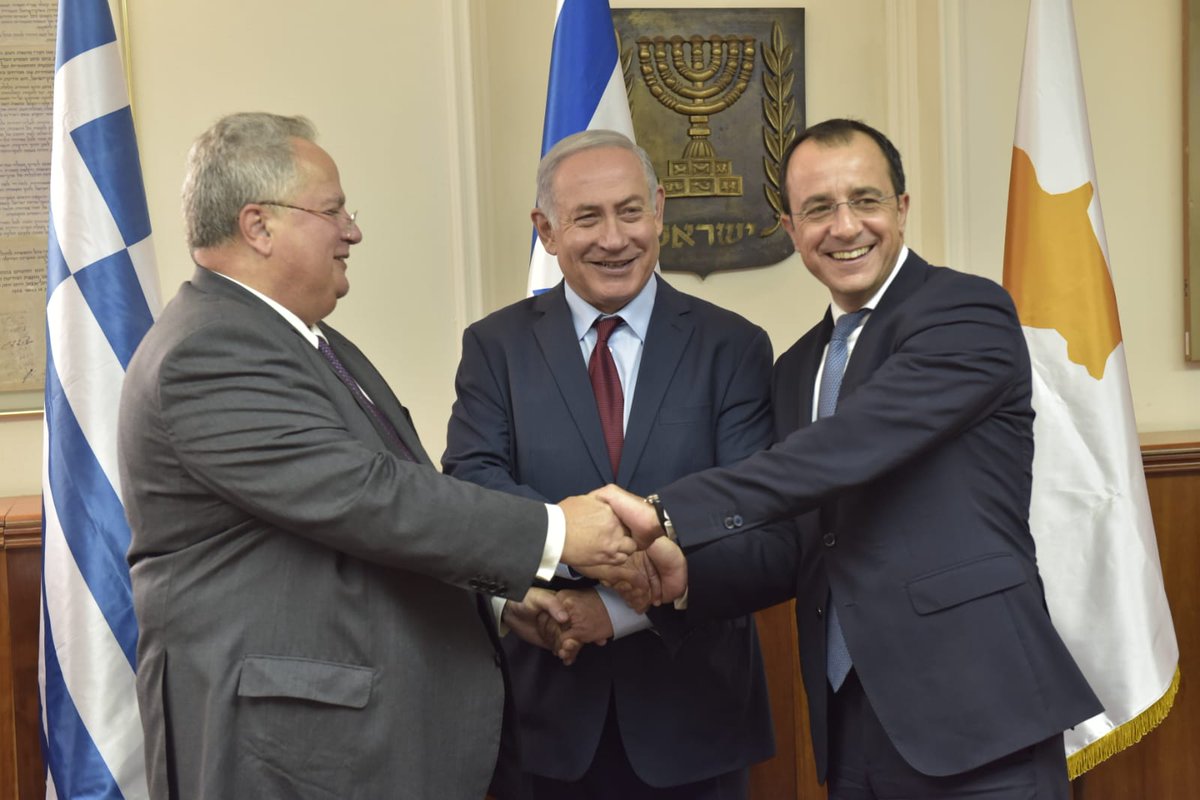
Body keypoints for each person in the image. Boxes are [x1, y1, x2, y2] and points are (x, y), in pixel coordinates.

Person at [117, 112, 634, 800]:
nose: (352, 231)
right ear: (258, 226)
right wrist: (561, 531)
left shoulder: (304, 339)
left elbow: (364, 525)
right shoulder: (208, 351)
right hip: (290, 755)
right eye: (332, 211)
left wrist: (495, 603)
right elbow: (368, 497)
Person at [595, 118, 1103, 799]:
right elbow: (795, 543)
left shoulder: (966, 312)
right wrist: (683, 578)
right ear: (789, 228)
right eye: (818, 209)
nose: (844, 227)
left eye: (865, 200)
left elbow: (844, 449)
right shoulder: (796, 368)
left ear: (902, 207)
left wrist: (665, 512)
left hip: (981, 717)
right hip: (851, 726)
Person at [441, 129, 776, 799]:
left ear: (659, 210)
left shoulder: (733, 346)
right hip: (544, 716)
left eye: (629, 211)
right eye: (587, 217)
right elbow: (473, 487)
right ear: (546, 230)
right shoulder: (495, 347)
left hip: (695, 720)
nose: (614, 238)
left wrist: (614, 609)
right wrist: (575, 563)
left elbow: (749, 518)